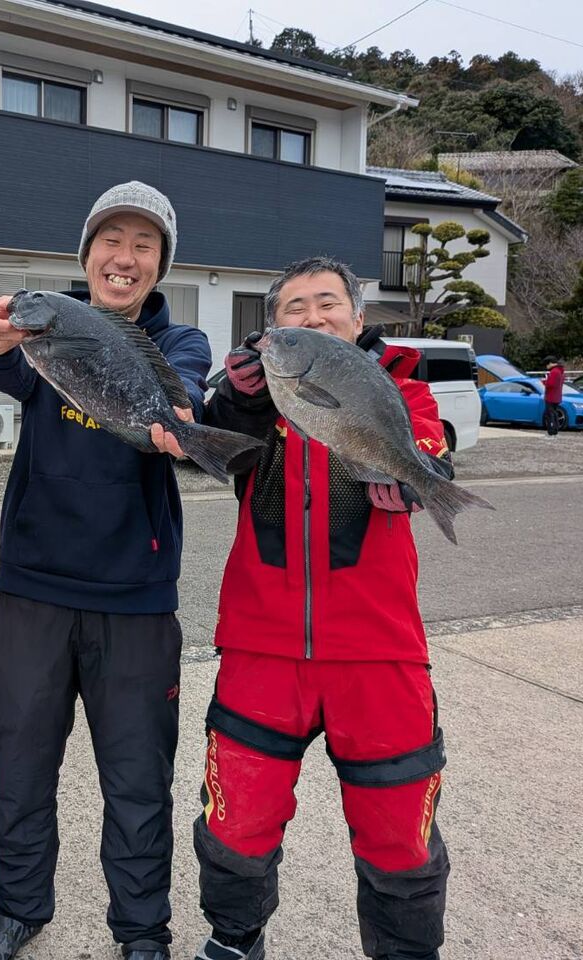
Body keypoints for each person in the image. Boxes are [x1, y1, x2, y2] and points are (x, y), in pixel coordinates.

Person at [0, 182, 213, 960]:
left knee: (138, 782)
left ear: (160, 263)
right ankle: (18, 910)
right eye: (112, 240)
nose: (124, 258)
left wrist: (183, 424)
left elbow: (187, 398)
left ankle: (141, 932)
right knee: (20, 767)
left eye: (143, 245)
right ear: (88, 253)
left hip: (137, 598)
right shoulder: (49, 324)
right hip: (31, 591)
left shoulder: (180, 341)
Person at [194, 256, 450, 960]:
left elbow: (430, 446)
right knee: (236, 819)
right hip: (261, 648)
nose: (314, 316)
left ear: (358, 318)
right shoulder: (259, 396)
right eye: (295, 307)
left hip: (380, 650)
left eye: (329, 303)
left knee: (399, 830)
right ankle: (235, 938)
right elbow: (217, 450)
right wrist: (238, 401)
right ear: (274, 325)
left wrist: (419, 476)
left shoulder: (401, 389)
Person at [543, 356, 566, 437]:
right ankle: (555, 431)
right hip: (557, 396)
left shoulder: (554, 372)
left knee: (550, 415)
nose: (546, 366)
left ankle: (551, 432)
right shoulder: (560, 371)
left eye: (546, 364)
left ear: (550, 363)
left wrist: (544, 382)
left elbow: (550, 384)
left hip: (550, 397)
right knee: (554, 414)